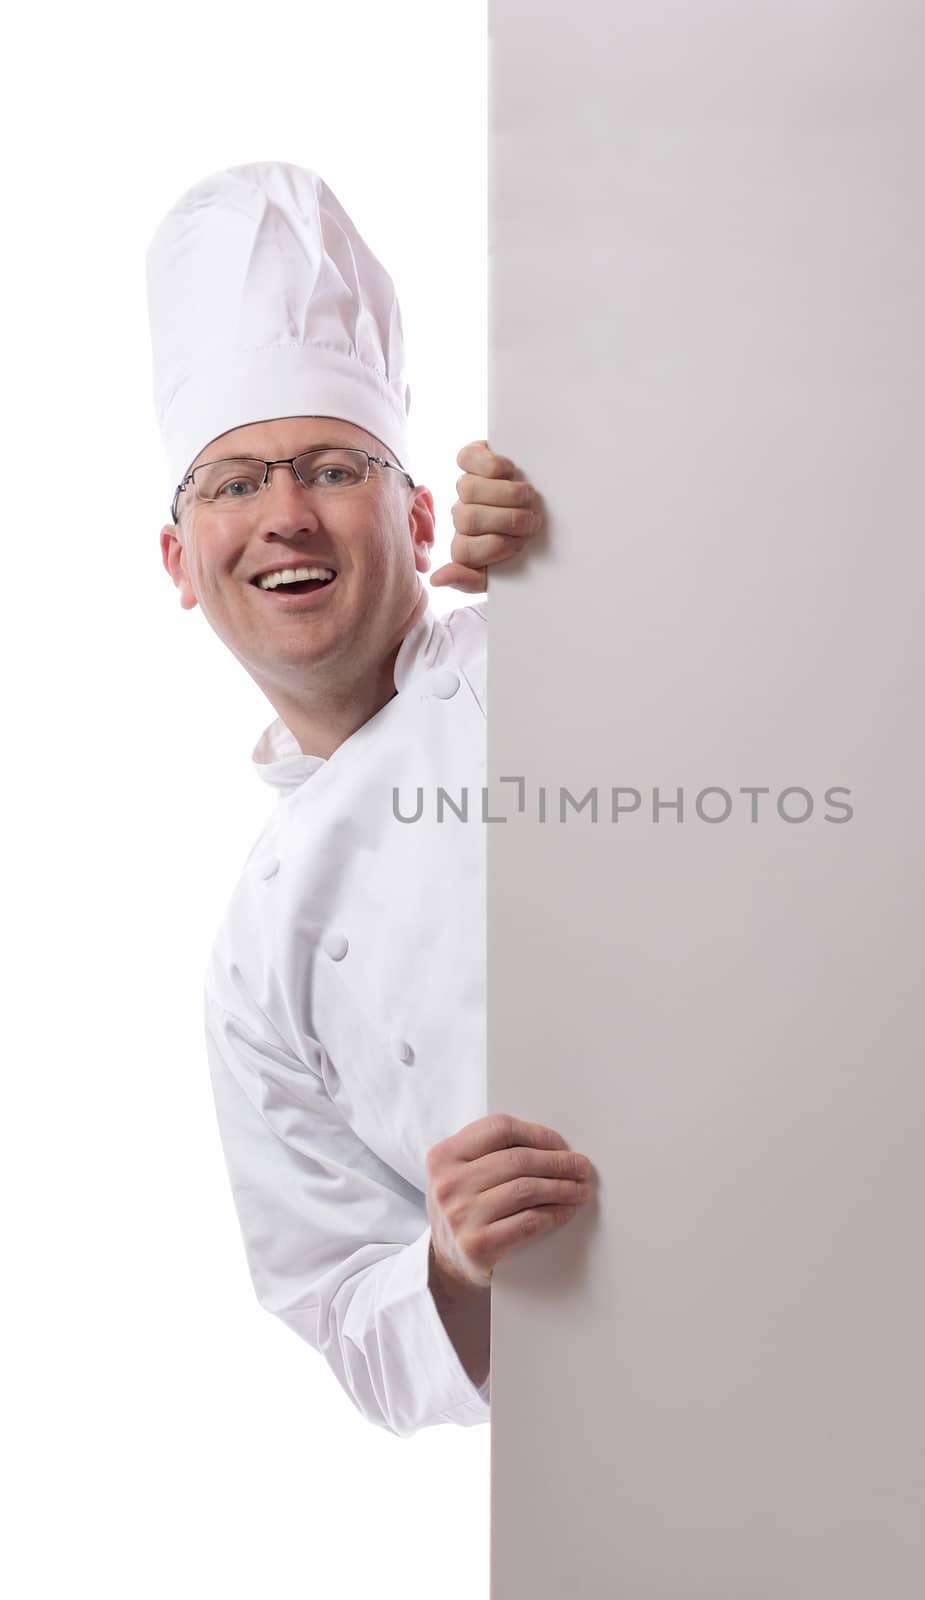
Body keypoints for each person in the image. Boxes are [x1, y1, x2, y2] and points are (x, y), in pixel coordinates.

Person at [147, 161, 595, 1438]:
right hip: (631, 1429)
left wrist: (600, 542)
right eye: (234, 484)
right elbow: (348, 1316)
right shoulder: (253, 965)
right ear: (184, 563)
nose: (285, 515)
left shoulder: (551, 648)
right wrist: (451, 1262)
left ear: (415, 510)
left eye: (332, 467)